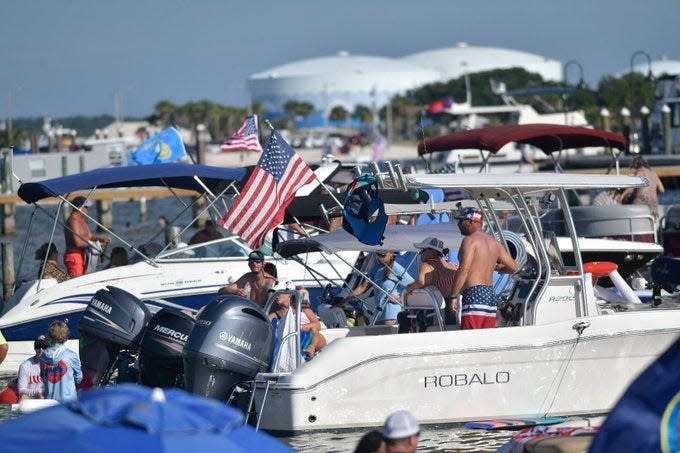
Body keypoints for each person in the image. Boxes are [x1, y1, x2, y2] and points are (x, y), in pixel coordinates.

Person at [450, 207, 518, 330]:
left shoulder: (470, 240)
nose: (459, 225)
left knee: (471, 338)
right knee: (485, 338)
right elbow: (513, 267)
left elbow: (464, 270)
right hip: (490, 294)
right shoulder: (494, 243)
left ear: (472, 222)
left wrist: (453, 296)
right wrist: (496, 267)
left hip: (475, 294)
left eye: (462, 221)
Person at [342, 251, 414, 325]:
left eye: (383, 254)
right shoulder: (377, 268)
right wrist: (344, 301)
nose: (380, 256)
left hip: (391, 313)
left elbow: (413, 285)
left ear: (391, 254)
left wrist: (400, 299)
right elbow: (363, 287)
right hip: (378, 314)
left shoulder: (396, 268)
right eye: (378, 254)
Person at [406, 237, 458, 323]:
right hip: (451, 311)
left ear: (432, 251)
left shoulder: (427, 265)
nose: (420, 253)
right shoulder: (452, 266)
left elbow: (421, 282)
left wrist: (409, 288)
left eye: (423, 250)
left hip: (435, 313)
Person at [268, 280, 327, 357]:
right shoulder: (276, 314)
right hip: (297, 343)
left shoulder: (302, 308)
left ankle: (311, 348)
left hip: (314, 341)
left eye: (279, 292)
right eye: (276, 293)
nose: (276, 295)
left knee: (314, 330)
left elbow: (317, 325)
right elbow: (266, 323)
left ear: (289, 294)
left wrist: (298, 327)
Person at [63, 196, 110, 277]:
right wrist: (97, 244)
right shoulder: (73, 220)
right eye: (85, 207)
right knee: (77, 282)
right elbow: (78, 243)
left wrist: (102, 239)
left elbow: (90, 237)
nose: (87, 209)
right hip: (74, 256)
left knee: (86, 278)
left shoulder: (82, 220)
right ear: (78, 207)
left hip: (85, 255)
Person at [40, 320, 83, 402]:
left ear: (49, 335)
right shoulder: (71, 355)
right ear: (66, 336)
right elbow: (78, 378)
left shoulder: (43, 357)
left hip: (49, 403)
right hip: (68, 404)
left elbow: (43, 376)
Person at [17, 335, 50, 401]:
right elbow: (21, 390)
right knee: (23, 398)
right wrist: (38, 392)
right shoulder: (24, 366)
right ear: (34, 348)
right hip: (33, 399)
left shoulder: (53, 364)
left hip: (48, 397)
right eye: (38, 347)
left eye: (44, 347)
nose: (41, 350)